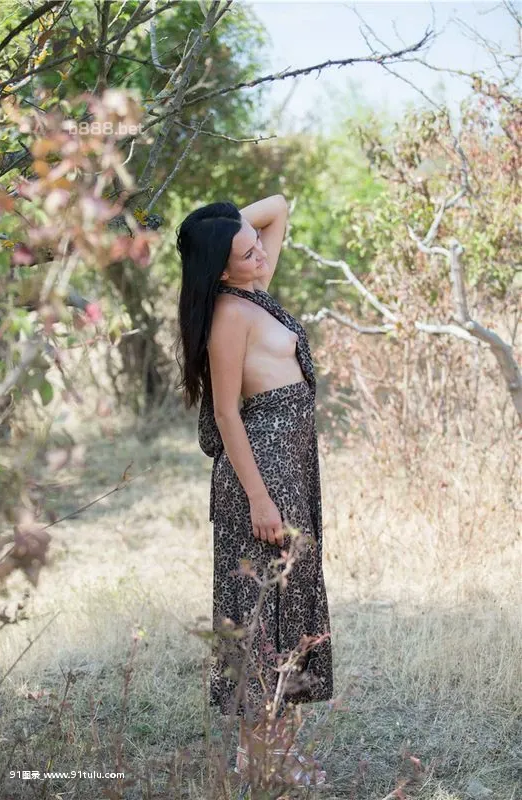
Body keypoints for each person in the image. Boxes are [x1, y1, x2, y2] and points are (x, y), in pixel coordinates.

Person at [175, 195, 333, 786]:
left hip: (290, 466)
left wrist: (221, 227)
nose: (262, 252)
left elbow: (280, 207)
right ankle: (260, 761)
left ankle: (276, 755)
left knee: (288, 608)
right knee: (260, 614)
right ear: (220, 269)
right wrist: (260, 499)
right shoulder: (230, 315)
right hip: (260, 474)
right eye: (247, 252)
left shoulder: (252, 286)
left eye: (255, 243)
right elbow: (225, 414)